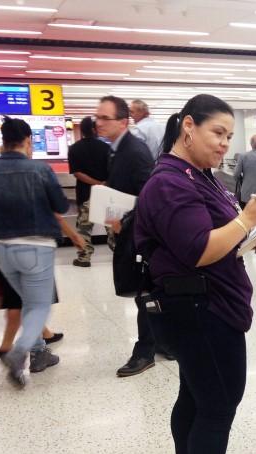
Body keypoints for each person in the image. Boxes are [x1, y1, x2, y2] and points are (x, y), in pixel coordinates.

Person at [135, 93, 256, 454]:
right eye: (217, 133)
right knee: (217, 403)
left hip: (203, 304)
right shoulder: (170, 183)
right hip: (201, 309)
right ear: (188, 127)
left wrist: (252, 234)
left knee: (195, 396)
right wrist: (245, 221)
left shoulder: (196, 175)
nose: (223, 144)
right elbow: (198, 250)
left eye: (229, 136)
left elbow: (215, 238)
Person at [0, 117, 83, 387]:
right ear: (26, 141)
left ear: (3, 141)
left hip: (1, 249)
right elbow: (59, 204)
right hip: (36, 246)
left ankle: (38, 352)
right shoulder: (39, 170)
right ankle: (19, 352)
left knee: (25, 303)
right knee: (39, 305)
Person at [96, 95, 160, 377]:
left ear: (123, 121)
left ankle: (145, 351)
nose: (98, 123)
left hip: (139, 234)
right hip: (129, 231)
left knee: (144, 291)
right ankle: (162, 341)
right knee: (143, 290)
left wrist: (125, 219)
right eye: (97, 117)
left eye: (104, 118)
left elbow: (149, 196)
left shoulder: (134, 150)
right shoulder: (116, 150)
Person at [67, 116, 110, 267]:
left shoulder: (74, 148)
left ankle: (84, 258)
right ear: (94, 130)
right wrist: (102, 183)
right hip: (106, 194)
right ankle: (120, 255)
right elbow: (112, 170)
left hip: (86, 194)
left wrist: (94, 183)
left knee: (84, 229)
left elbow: (77, 173)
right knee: (112, 228)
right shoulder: (106, 148)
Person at [234, 135, 256, 204]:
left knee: (248, 214)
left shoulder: (242, 156)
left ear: (251, 144)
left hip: (247, 194)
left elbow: (236, 175)